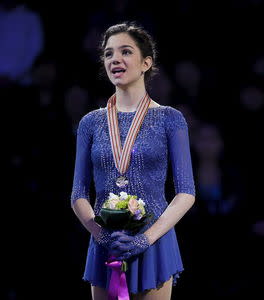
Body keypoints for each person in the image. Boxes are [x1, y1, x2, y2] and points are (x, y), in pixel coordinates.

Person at [71, 22, 195, 300]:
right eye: (108, 54)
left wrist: (145, 239)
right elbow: (78, 194)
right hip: (106, 242)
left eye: (125, 51)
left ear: (146, 63)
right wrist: (101, 236)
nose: (115, 58)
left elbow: (186, 192)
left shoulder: (170, 119)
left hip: (154, 242)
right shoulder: (90, 122)